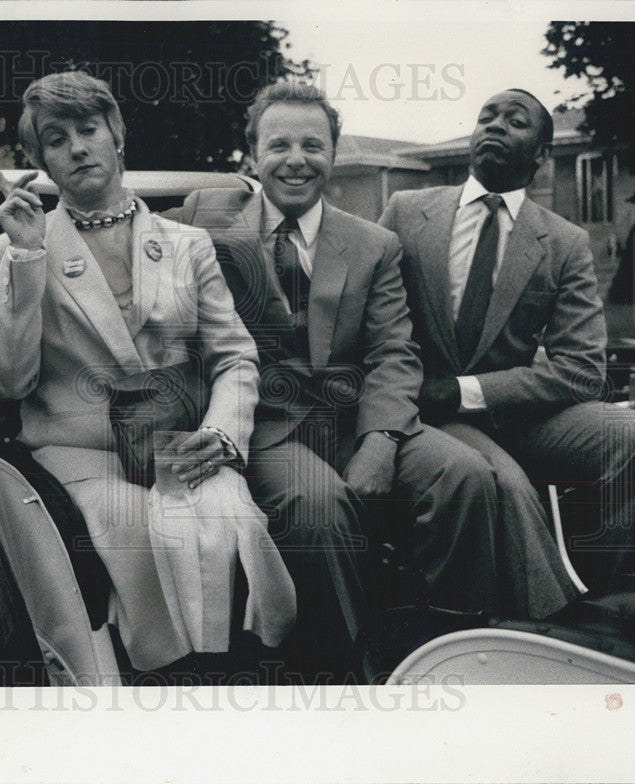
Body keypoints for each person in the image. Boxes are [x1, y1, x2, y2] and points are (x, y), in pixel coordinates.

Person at [168, 81, 579, 679]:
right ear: (252, 153)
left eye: (314, 145)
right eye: (278, 144)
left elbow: (395, 351)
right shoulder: (206, 218)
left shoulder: (372, 243)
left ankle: (449, 653)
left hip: (354, 416)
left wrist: (381, 440)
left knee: (463, 473)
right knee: (318, 505)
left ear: (334, 154)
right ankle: (354, 667)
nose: (296, 159)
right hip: (264, 426)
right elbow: (118, 231)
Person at [0, 71, 295, 675]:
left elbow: (235, 356)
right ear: (41, 159)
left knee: (230, 523)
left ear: (117, 134)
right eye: (56, 139)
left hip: (180, 449)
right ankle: (161, 685)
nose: (77, 147)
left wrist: (223, 436)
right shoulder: (12, 251)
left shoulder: (187, 244)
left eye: (88, 129)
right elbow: (5, 383)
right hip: (80, 460)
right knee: (145, 532)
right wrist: (25, 256)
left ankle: (239, 673)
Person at [379, 88, 635, 588]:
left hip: (517, 415)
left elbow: (582, 370)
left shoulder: (564, 241)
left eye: (515, 122)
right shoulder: (407, 211)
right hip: (423, 413)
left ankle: (627, 601)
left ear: (542, 155)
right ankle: (549, 621)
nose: (495, 126)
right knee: (506, 486)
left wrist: (463, 391)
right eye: (486, 116)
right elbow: (369, 317)